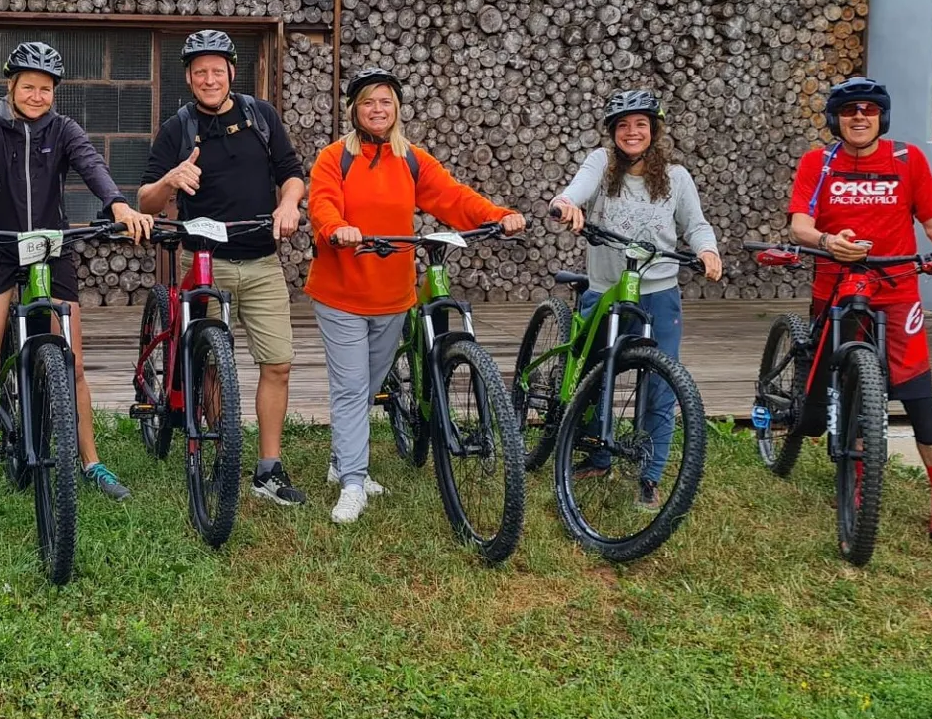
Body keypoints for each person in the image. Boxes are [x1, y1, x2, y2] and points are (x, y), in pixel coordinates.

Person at [0, 41, 153, 516]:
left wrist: (116, 201)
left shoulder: (64, 129)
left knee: (71, 363)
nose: (37, 95)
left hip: (53, 248)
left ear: (55, 93)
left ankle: (92, 463)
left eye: (46, 89)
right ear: (11, 86)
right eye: (29, 86)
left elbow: (91, 164)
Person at [306, 68, 525, 524]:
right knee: (350, 388)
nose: (377, 109)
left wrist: (498, 215)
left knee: (366, 384)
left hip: (393, 295)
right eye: (369, 102)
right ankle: (352, 482)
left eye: (385, 102)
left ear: (397, 108)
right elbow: (321, 203)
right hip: (341, 292)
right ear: (354, 110)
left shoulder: (411, 161)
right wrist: (336, 228)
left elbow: (452, 198)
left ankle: (340, 460)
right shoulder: (334, 159)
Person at [786, 76, 932, 541]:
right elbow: (801, 225)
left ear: (882, 116)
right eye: (849, 110)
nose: (859, 117)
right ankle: (861, 477)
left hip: (897, 288)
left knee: (919, 396)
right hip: (836, 286)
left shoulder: (907, 160)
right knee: (844, 387)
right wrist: (827, 241)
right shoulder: (818, 162)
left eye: (868, 109)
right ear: (835, 119)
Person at [139, 30, 309, 507]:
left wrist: (289, 205)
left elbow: (292, 173)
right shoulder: (177, 127)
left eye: (217, 70)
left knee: (277, 364)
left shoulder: (261, 116)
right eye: (200, 72)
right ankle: (218, 448)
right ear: (189, 78)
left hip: (261, 261)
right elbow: (145, 200)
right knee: (208, 363)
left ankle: (268, 468)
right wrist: (170, 179)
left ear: (232, 73)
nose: (209, 79)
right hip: (204, 259)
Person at [549, 89, 723, 508]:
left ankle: (650, 472)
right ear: (612, 132)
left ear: (654, 131)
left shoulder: (676, 177)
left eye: (640, 124)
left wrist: (708, 250)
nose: (632, 132)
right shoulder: (601, 163)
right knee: (592, 374)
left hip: (659, 292)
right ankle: (596, 453)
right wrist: (566, 203)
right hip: (605, 288)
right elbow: (577, 189)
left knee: (662, 381)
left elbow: (695, 224)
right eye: (623, 125)